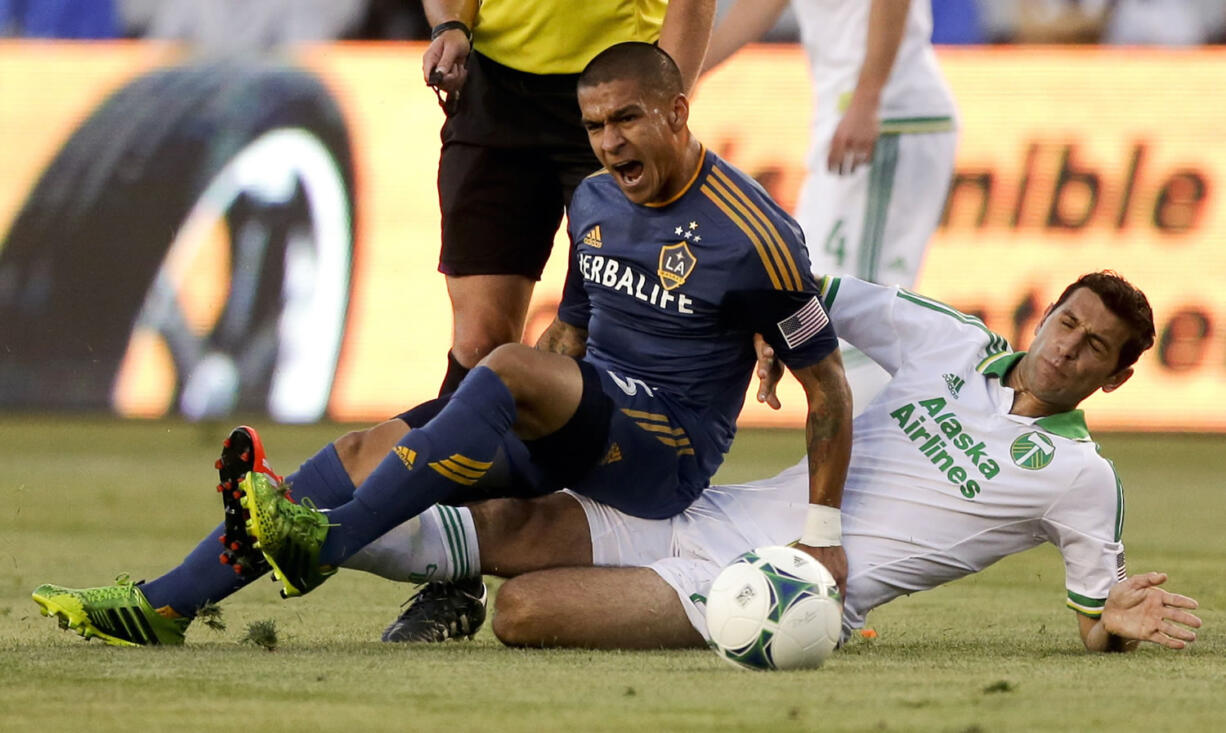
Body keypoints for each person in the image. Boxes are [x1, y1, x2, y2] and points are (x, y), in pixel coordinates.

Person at [31, 42, 852, 644]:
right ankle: (162, 605)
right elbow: (575, 325)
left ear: (678, 111)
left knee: (503, 367)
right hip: (586, 416)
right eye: (595, 125)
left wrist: (823, 534)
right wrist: (506, 408)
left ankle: (326, 543)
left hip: (662, 452)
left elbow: (830, 391)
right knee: (363, 447)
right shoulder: (598, 199)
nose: (608, 142)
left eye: (627, 119)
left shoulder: (759, 236)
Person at [33, 272, 1202, 653]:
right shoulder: (953, 343)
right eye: (1064, 321)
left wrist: (1111, 625)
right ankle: (186, 588)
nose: (1066, 346)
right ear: (1043, 313)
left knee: (525, 615)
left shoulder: (1079, 477)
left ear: (1114, 376)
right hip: (712, 509)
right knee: (390, 462)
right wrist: (763, 318)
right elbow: (815, 288)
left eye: (1093, 347)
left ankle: (295, 535)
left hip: (785, 594)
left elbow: (1092, 600)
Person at [422, 0, 715, 395]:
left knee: (596, 333)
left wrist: (661, 107)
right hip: (494, 89)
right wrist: (450, 25)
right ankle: (451, 454)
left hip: (620, 90)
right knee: (479, 345)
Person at [703, 0, 959, 409]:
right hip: (858, 115)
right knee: (815, 297)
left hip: (889, 117)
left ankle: (877, 463)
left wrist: (868, 98)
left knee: (861, 315)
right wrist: (684, 73)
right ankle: (871, 460)